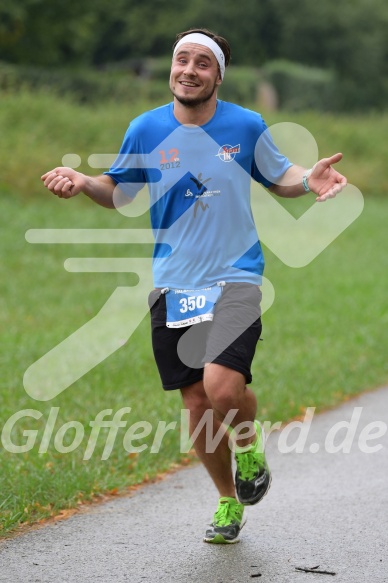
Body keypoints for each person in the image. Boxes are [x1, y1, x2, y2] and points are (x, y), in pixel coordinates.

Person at [41, 28, 347, 544]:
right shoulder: (145, 128)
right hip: (173, 282)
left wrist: (307, 179)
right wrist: (84, 183)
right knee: (199, 408)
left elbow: (279, 175)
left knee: (222, 387)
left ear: (218, 75)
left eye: (202, 63)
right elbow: (118, 191)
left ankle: (248, 446)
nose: (188, 70)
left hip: (236, 276)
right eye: (182, 60)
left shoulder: (245, 125)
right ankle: (229, 501)